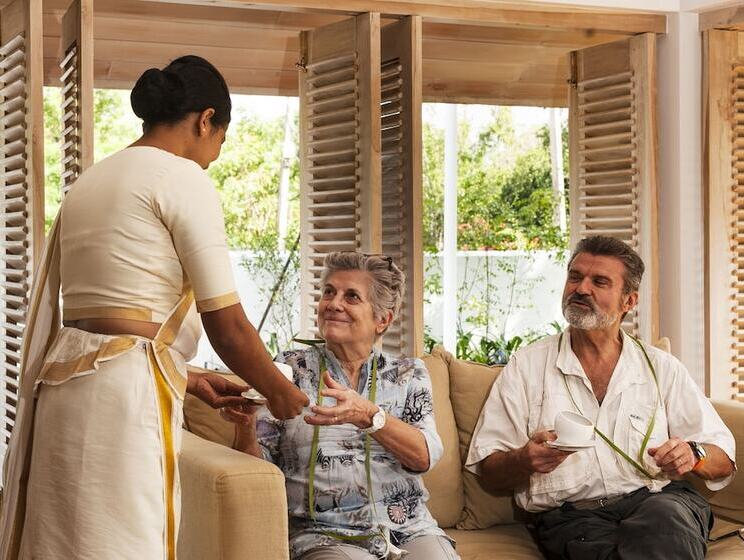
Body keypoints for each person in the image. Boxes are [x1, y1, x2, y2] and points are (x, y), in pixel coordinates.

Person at [0, 55, 308, 560]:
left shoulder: (91, 181)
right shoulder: (182, 177)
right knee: (127, 540)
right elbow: (227, 326)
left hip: (64, 388)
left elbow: (108, 317)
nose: (214, 157)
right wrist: (280, 391)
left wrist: (190, 377)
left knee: (65, 541)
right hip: (124, 399)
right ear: (206, 120)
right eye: (221, 140)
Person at [466, 235, 736, 560]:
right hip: (573, 518)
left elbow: (723, 460)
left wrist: (694, 454)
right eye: (575, 277)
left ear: (628, 301)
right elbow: (489, 469)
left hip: (659, 502)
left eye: (599, 282)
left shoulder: (661, 367)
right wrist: (524, 459)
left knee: (664, 522)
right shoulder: (527, 366)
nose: (581, 289)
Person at [221, 251, 459, 560]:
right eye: (329, 292)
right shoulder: (289, 371)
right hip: (323, 534)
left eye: (351, 296)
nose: (334, 304)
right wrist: (245, 426)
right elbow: (256, 472)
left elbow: (423, 456)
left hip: (409, 529)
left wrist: (368, 414)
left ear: (382, 320)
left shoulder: (408, 374)